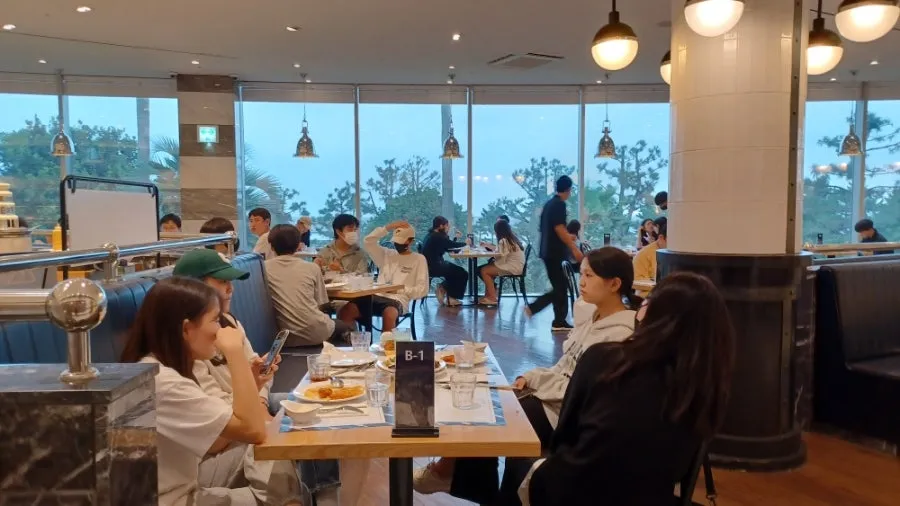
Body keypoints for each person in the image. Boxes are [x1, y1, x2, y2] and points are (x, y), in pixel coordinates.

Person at [414, 247, 639, 502]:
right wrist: (533, 376)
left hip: (569, 414)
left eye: (589, 275)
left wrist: (539, 385)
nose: (582, 282)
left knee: (495, 416)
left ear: (614, 284)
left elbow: (583, 391)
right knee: (487, 405)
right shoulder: (594, 319)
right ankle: (468, 483)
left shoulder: (620, 334)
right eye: (582, 274)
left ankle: (453, 475)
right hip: (556, 401)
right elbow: (564, 367)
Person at [511, 271, 735, 506]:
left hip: (578, 489)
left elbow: (564, 437)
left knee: (519, 466)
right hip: (652, 497)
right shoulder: (705, 387)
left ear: (648, 313)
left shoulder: (604, 358)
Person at [120, 277, 305, 506]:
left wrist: (253, 383)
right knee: (271, 450)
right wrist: (235, 352)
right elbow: (253, 430)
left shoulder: (161, 369)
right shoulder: (163, 382)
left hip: (187, 482)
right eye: (215, 320)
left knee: (280, 456)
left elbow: (217, 440)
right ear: (186, 329)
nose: (221, 330)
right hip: (175, 499)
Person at [171, 249, 307, 505]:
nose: (230, 289)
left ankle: (319, 495)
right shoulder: (184, 353)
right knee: (270, 434)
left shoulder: (229, 324)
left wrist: (258, 397)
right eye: (222, 282)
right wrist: (256, 406)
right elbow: (218, 436)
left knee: (310, 409)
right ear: (193, 289)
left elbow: (255, 371)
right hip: (207, 456)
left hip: (238, 420)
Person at [264, 224, 359, 347]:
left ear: (271, 246)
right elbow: (321, 304)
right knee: (344, 326)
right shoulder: (311, 268)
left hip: (282, 336)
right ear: (298, 245)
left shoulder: (263, 268)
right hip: (316, 332)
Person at [527, 175, 583, 331]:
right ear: (568, 189)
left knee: (561, 286)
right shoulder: (559, 205)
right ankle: (538, 309)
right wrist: (574, 248)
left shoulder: (549, 204)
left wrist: (568, 238)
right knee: (560, 287)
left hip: (547, 251)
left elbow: (550, 229)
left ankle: (558, 320)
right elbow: (559, 228)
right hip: (554, 252)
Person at [362, 220, 429, 332]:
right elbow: (368, 242)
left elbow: (422, 290)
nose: (397, 244)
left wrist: (398, 290)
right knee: (349, 308)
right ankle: (348, 341)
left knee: (390, 312)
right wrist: (387, 228)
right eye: (396, 241)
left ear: (411, 241)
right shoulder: (386, 254)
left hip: (398, 299)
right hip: (376, 296)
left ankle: (387, 342)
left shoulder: (418, 259)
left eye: (401, 242)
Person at [476, 219, 525, 306]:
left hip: (512, 268)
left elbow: (500, 256)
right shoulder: (511, 239)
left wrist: (492, 257)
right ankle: (489, 295)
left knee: (484, 270)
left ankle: (492, 298)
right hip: (517, 266)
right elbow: (501, 253)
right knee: (487, 267)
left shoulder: (504, 241)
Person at [422, 216, 469, 307]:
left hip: (431, 265)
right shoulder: (437, 236)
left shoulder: (432, 235)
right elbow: (450, 244)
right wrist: (466, 243)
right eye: (447, 226)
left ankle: (443, 288)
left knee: (456, 272)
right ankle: (450, 297)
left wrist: (455, 238)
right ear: (441, 226)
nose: (448, 228)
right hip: (435, 267)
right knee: (463, 273)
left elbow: (447, 246)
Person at [633, 220, 666, 288]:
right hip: (648, 290)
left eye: (652, 224)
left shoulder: (657, 244)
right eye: (648, 224)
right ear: (661, 238)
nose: (651, 226)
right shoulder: (646, 253)